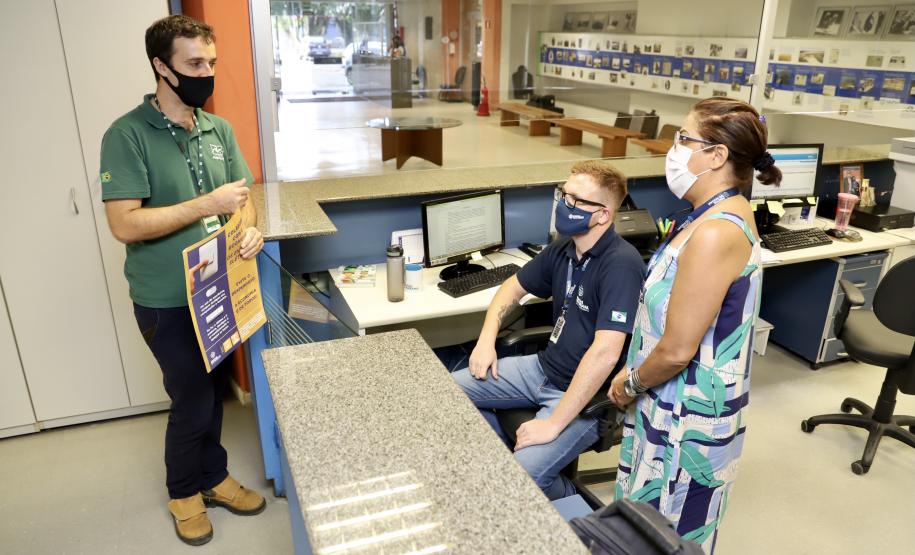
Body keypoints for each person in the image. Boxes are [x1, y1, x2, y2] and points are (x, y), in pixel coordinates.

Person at [99, 15, 265, 546]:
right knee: (191, 397)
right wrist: (205, 206)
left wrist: (250, 230)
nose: (206, 72)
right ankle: (183, 493)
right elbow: (124, 224)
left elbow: (244, 199)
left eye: (211, 63)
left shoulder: (219, 129)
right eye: (195, 63)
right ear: (160, 67)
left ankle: (213, 476)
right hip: (166, 299)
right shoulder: (126, 135)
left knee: (213, 390)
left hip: (218, 292)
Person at [608, 97, 782, 553]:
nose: (674, 149)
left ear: (718, 156)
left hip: (687, 415)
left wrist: (628, 385)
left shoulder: (715, 232)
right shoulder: (706, 215)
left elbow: (678, 350)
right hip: (666, 401)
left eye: (684, 139)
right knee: (643, 528)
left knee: (666, 535)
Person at [452, 161, 645, 500]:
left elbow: (605, 353)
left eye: (574, 200)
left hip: (582, 397)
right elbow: (510, 289)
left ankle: (568, 495)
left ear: (602, 215)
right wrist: (486, 341)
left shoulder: (621, 265)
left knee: (521, 478)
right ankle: (515, 454)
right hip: (541, 368)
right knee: (445, 394)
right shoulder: (564, 248)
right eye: (563, 194)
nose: (562, 205)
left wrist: (553, 424)